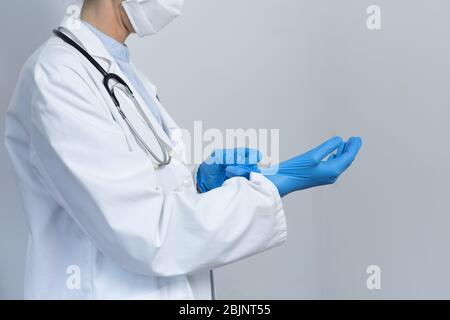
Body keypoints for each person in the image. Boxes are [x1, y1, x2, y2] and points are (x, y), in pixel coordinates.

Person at [4, 0, 362, 299]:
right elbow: (146, 232)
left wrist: (197, 184)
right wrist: (272, 187)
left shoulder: (118, 71)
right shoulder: (58, 77)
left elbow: (135, 191)